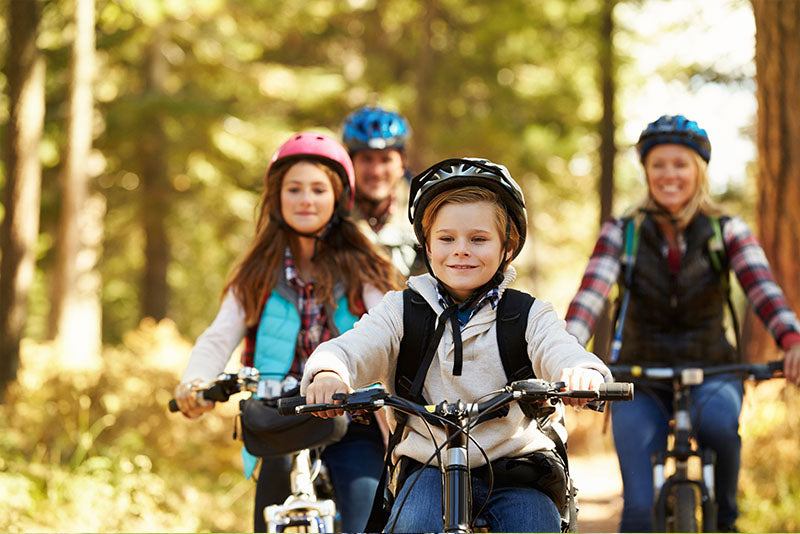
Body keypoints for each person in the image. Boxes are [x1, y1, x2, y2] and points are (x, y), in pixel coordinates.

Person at [300, 157, 612, 533]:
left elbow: (561, 349)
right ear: (427, 248)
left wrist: (582, 372)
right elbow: (354, 347)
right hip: (430, 465)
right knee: (410, 524)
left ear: (506, 247)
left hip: (517, 466)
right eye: (446, 239)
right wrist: (329, 371)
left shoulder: (527, 314)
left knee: (536, 524)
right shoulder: (400, 310)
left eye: (478, 239)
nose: (461, 250)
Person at [564, 114, 800, 532]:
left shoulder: (727, 230)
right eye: (658, 164)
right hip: (637, 375)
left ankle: (724, 518)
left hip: (713, 368)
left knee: (721, 430)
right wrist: (566, 355)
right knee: (638, 510)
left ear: (699, 171)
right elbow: (589, 299)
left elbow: (764, 292)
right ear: (646, 171)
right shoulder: (623, 231)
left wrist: (792, 340)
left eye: (680, 164)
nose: (668, 174)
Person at [173, 132, 403, 532]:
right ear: (277, 197)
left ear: (338, 198)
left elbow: (394, 324)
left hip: (353, 416)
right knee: (271, 514)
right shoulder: (257, 271)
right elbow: (219, 335)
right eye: (293, 189)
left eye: (318, 189)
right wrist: (194, 381)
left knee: (367, 511)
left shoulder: (363, 265)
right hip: (280, 414)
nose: (306, 200)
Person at [342, 105, 425, 276]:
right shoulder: (331, 214)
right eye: (367, 159)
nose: (376, 171)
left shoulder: (426, 215)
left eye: (386, 160)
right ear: (350, 163)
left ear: (402, 163)